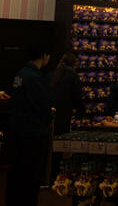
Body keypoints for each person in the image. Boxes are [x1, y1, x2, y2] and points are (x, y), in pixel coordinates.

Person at [6, 45, 53, 206]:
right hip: (33, 132)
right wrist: (49, 117)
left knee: (16, 170)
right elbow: (40, 105)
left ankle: (13, 200)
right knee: (31, 173)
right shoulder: (34, 77)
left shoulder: (20, 74)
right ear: (44, 56)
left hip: (17, 129)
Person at [49, 52, 84, 135]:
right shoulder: (72, 75)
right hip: (64, 112)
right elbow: (77, 95)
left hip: (51, 112)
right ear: (74, 63)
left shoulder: (52, 74)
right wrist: (81, 111)